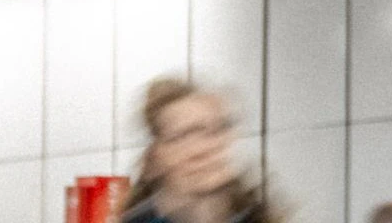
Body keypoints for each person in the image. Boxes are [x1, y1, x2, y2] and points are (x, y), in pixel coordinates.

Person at [120, 79, 282, 223]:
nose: (200, 149)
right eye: (180, 137)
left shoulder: (258, 215)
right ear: (154, 158)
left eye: (214, 131)